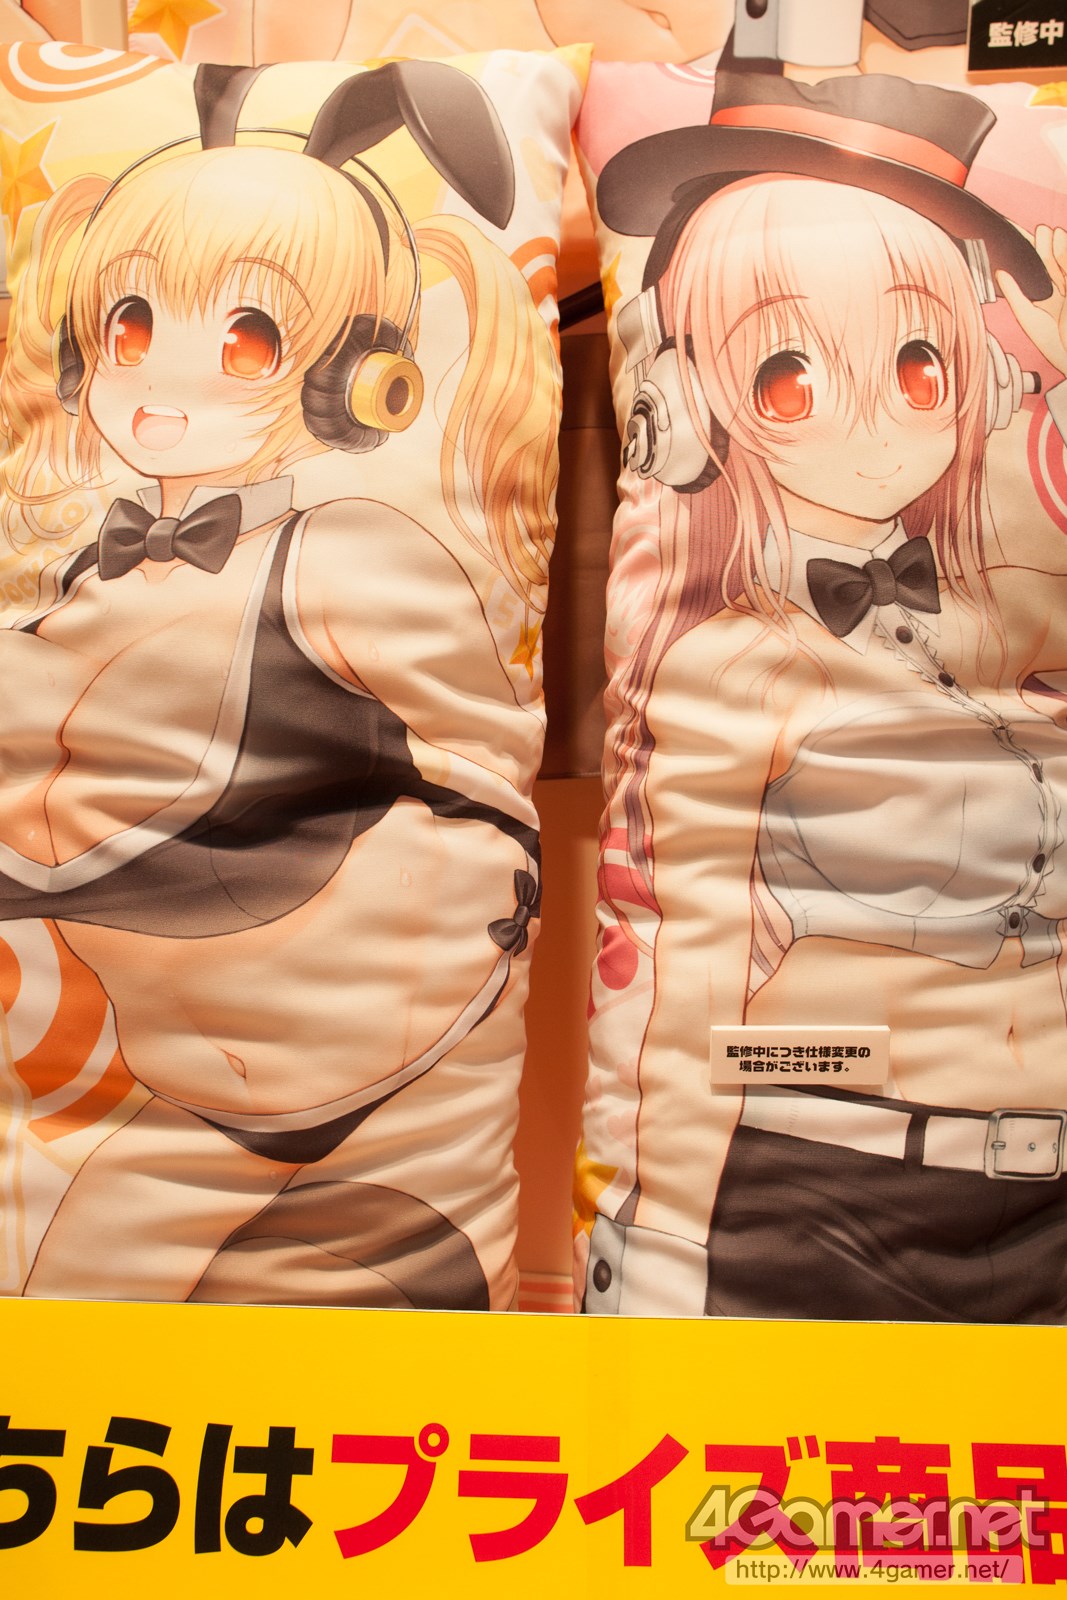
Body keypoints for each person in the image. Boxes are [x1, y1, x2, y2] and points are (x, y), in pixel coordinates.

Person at [0, 61, 556, 1305]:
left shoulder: (342, 554)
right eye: (129, 326)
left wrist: (466, 905)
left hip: (391, 1055)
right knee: (60, 1320)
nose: (160, 377)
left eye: (247, 337)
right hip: (191, 1106)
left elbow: (478, 762)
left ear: (358, 381)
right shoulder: (89, 589)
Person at [583, 70, 1067, 1322]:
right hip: (815, 1192)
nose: (872, 420)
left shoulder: (985, 631)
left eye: (918, 364)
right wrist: (656, 1266)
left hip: (1030, 1213)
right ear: (690, 411)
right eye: (786, 378)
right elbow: (692, 997)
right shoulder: (732, 665)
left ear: (982, 380)